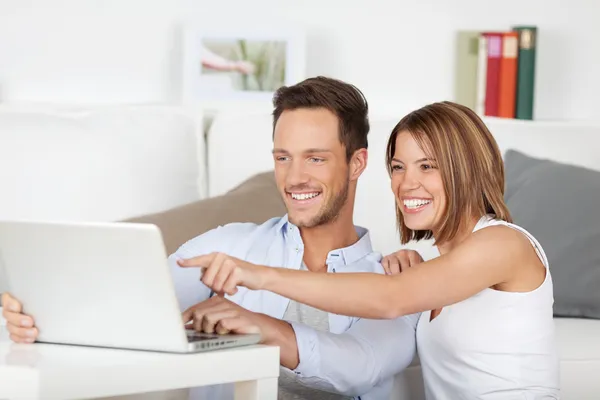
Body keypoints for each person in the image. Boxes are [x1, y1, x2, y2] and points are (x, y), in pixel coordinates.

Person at [1, 76, 419, 400]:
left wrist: (261, 329)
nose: (294, 178)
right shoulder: (225, 247)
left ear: (357, 163)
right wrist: (36, 321)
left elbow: (361, 366)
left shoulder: (392, 279)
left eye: (316, 158)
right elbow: (123, 310)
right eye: (282, 158)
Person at [177, 101, 560, 399]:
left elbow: (391, 300)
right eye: (398, 166)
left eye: (427, 166)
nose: (407, 183)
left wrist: (258, 275)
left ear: (467, 169)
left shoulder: (505, 243)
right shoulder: (428, 266)